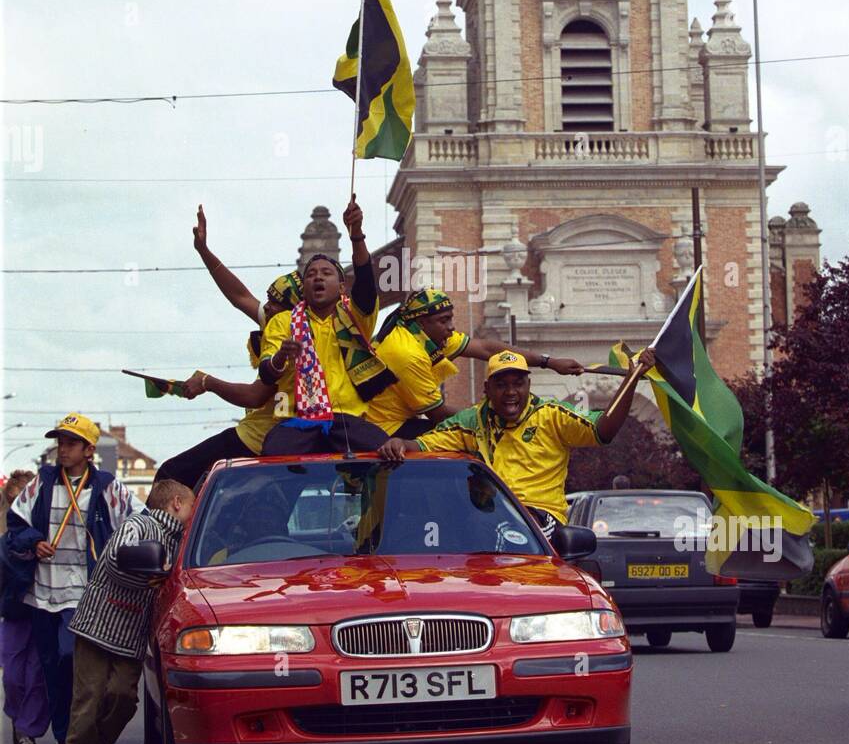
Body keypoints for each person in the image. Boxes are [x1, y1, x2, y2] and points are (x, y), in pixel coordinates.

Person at [184, 197, 393, 456]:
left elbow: (364, 279)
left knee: (388, 459)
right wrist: (281, 357)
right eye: (311, 274)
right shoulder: (283, 322)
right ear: (303, 289)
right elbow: (268, 371)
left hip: (346, 419)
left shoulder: (355, 316)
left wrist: (356, 234)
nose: (317, 276)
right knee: (273, 462)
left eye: (326, 273)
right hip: (297, 422)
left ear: (341, 289)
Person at [378, 348, 656, 540]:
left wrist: (631, 380)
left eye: (518, 384)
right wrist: (399, 443)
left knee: (505, 534)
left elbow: (603, 430)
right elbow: (424, 445)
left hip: (540, 521)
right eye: (501, 385)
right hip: (487, 518)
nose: (511, 392)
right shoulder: (472, 421)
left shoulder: (551, 415)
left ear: (528, 385)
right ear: (487, 389)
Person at [5, 415, 140, 744]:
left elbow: (138, 523)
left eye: (70, 443)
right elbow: (15, 525)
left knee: (74, 662)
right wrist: (34, 542)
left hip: (85, 597)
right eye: (59, 442)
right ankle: (66, 741)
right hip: (41, 595)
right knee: (52, 668)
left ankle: (92, 738)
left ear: (89, 450)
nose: (61, 449)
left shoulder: (108, 486)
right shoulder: (41, 483)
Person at [64, 479, 195, 744]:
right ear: (176, 502)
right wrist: (154, 580)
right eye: (190, 505)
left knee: (124, 696)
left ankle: (99, 741)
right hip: (98, 625)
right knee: (89, 694)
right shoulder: (138, 524)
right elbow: (115, 560)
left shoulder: (181, 542)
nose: (192, 512)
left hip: (132, 634)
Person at [365, 288, 587, 439]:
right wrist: (494, 419)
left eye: (451, 318)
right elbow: (438, 414)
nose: (451, 327)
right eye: (444, 321)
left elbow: (487, 349)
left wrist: (548, 362)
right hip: (383, 429)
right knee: (468, 440)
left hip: (399, 421)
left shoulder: (425, 334)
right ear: (422, 322)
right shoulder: (406, 353)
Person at [155, 269, 302, 489]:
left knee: (171, 476)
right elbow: (239, 297)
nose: (266, 306)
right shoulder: (289, 323)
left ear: (291, 312)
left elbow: (255, 396)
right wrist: (203, 250)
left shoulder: (287, 339)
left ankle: (155, 525)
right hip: (268, 436)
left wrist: (208, 382)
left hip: (257, 437)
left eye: (275, 302)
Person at [0, 469, 51, 744]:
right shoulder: (6, 544)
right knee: (14, 675)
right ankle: (19, 722)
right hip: (15, 615)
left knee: (37, 674)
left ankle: (27, 735)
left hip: (43, 612)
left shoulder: (49, 540)